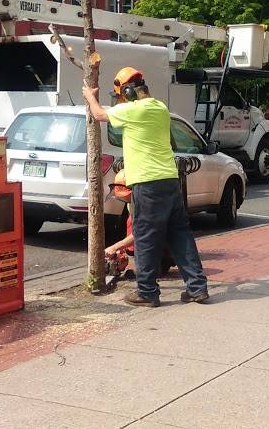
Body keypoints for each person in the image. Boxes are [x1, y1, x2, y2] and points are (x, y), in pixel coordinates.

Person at [83, 66, 209, 307]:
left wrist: (90, 95)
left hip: (147, 183)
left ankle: (147, 292)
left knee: (145, 238)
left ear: (128, 92)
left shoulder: (132, 111)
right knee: (180, 235)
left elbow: (99, 115)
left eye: (122, 94)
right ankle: (197, 287)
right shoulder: (160, 108)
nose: (122, 99)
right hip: (170, 180)